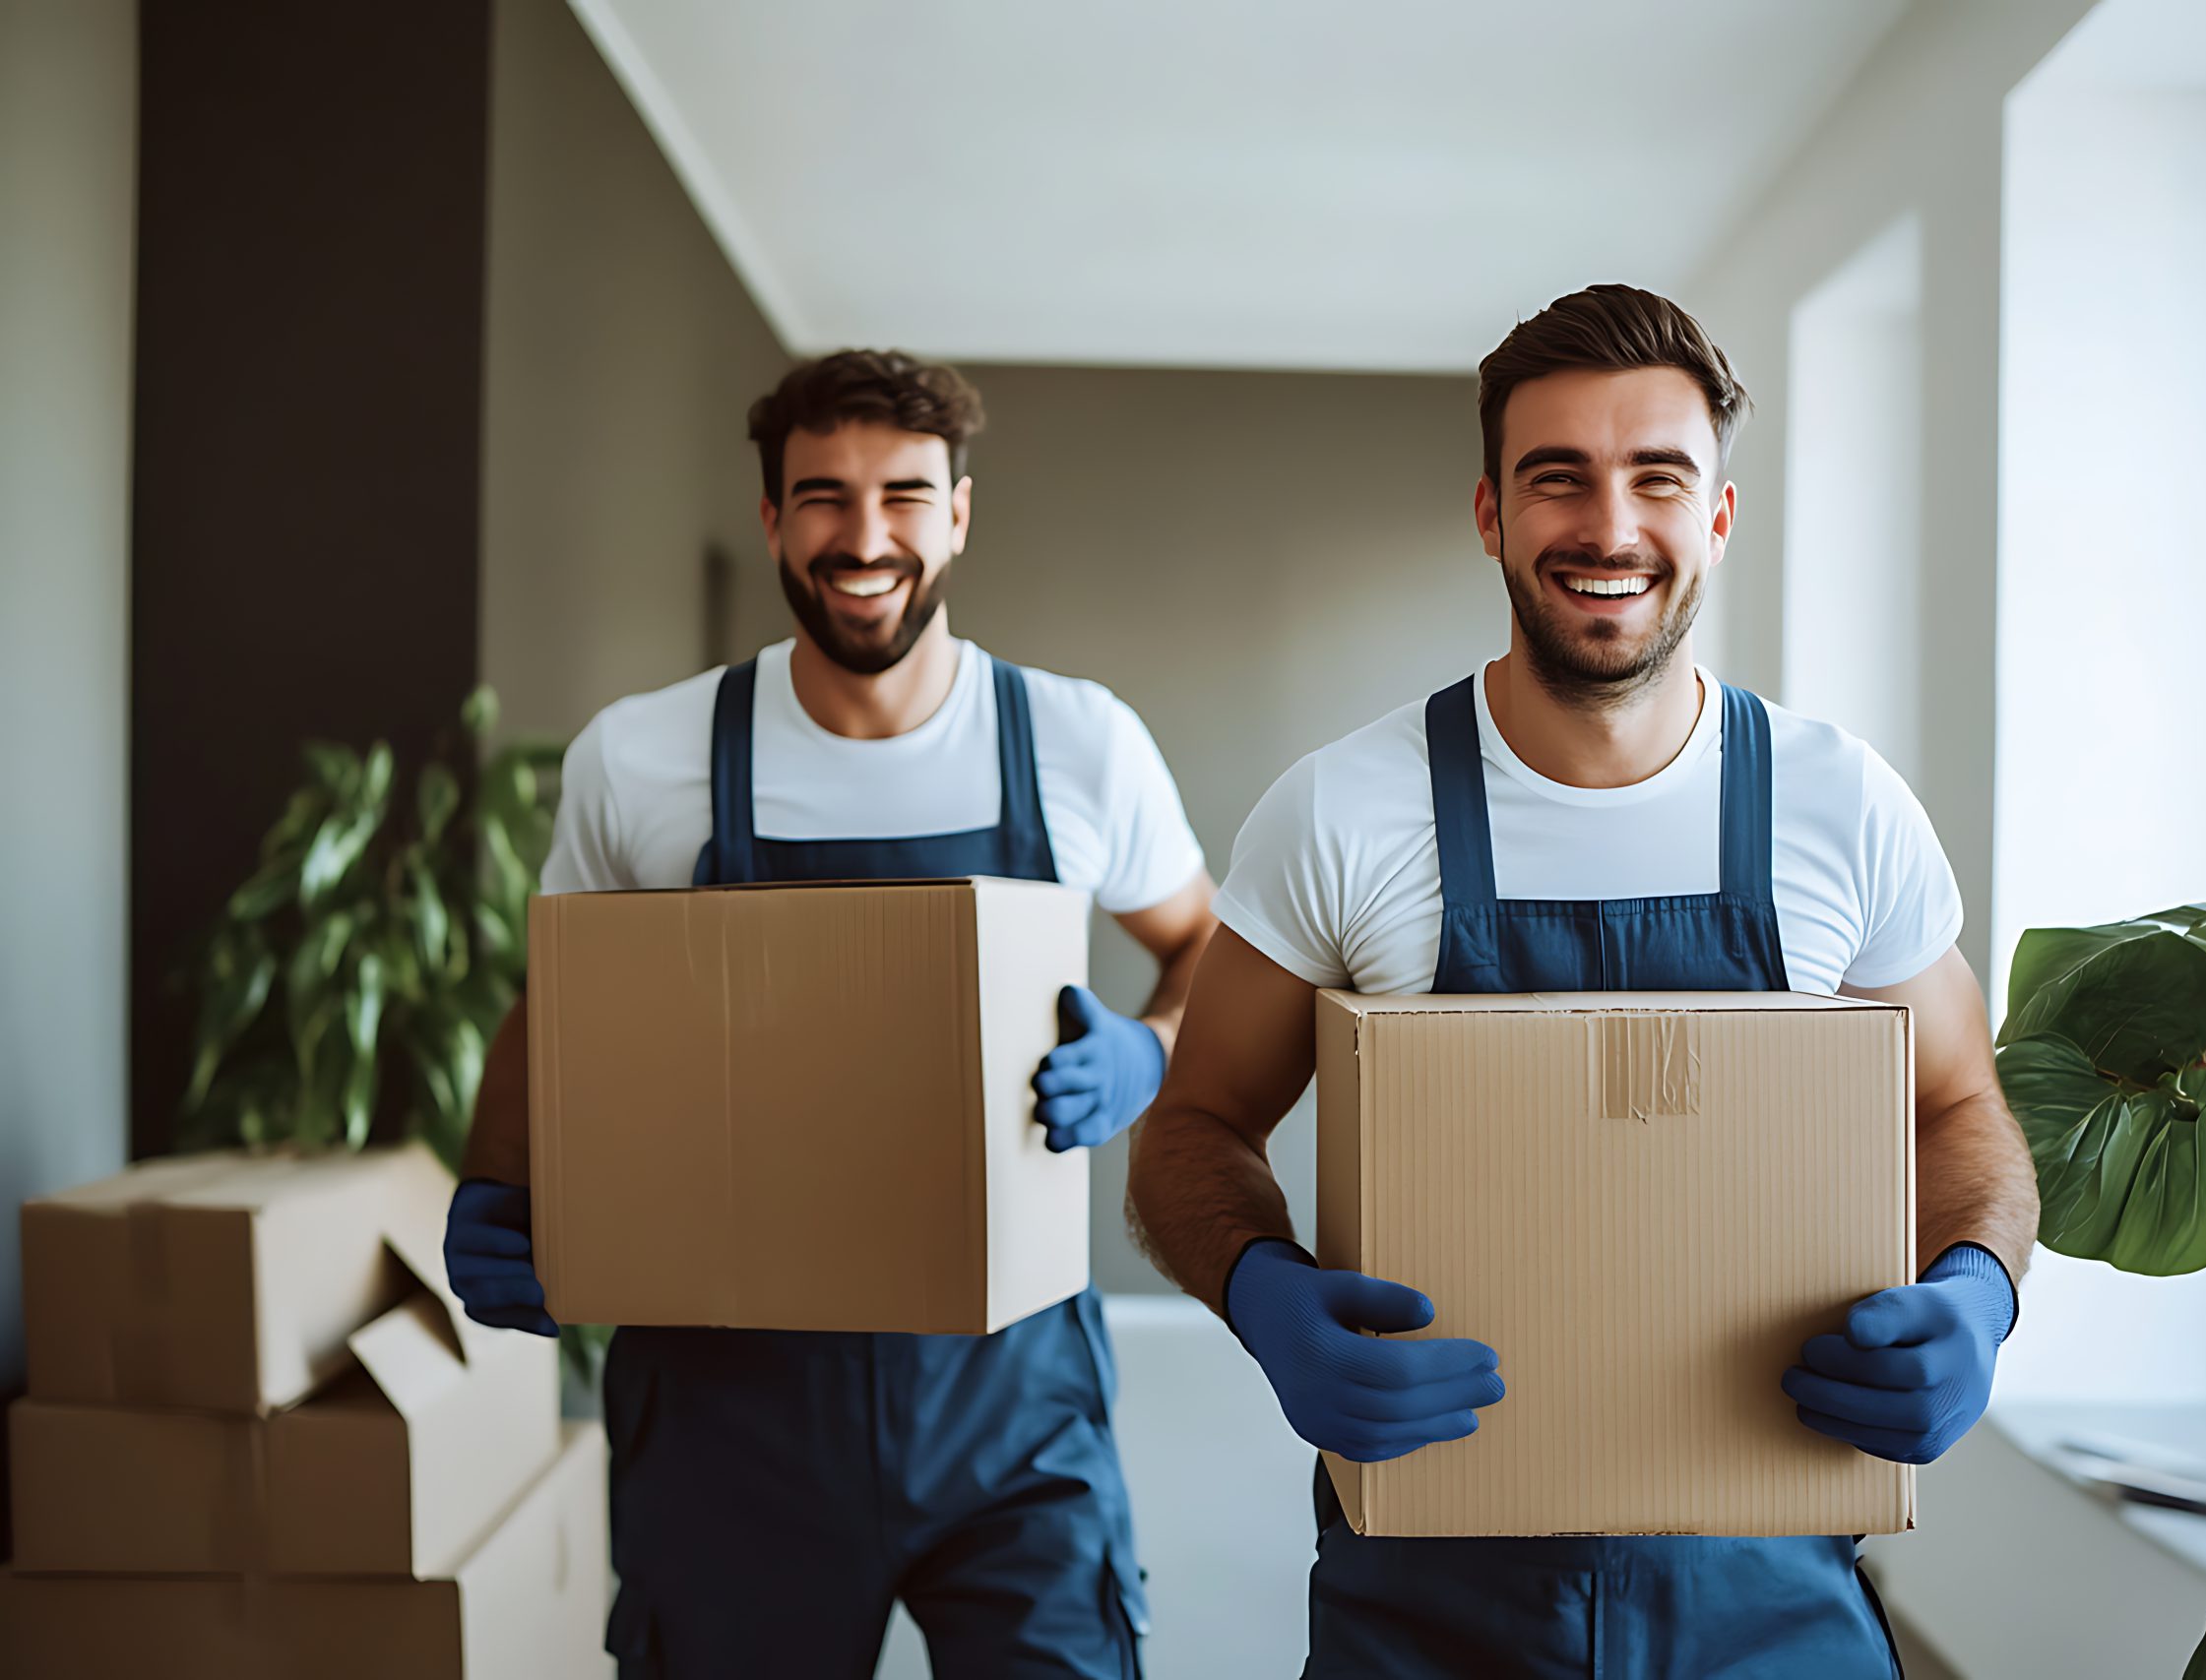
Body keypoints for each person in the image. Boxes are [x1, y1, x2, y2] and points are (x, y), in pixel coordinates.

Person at [1126, 284, 2036, 1677]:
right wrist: (1262, 1295)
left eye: (1657, 480)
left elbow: (1961, 1106)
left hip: (1776, 1595)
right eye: (1558, 480)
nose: (1610, 528)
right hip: (1424, 1599)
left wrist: (1977, 1292)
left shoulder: (1840, 808)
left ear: (1717, 518)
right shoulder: (1345, 815)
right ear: (1492, 514)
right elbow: (1192, 1127)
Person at [444, 350, 1217, 1679]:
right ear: (772, 521)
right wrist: (492, 1183)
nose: (866, 538)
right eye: (823, 497)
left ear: (960, 513)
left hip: (1011, 1403)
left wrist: (1153, 1047)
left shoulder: (1079, 744)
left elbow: (1202, 946)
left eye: (905, 496)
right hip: (729, 1409)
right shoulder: (646, 757)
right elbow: (557, 996)